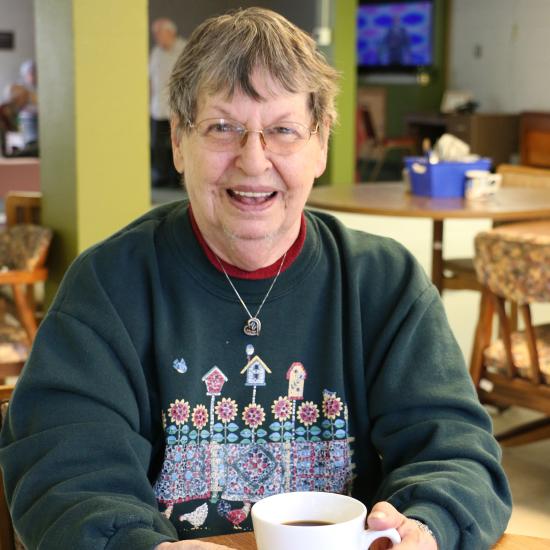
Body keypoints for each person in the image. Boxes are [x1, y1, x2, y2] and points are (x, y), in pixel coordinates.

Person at [0, 8, 511, 550]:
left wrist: (426, 527)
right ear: (178, 141)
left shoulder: (385, 283)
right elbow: (62, 469)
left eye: (283, 131)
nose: (253, 160)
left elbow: (457, 452)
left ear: (321, 146)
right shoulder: (107, 285)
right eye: (224, 127)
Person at [149, 17, 186, 188]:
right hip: (158, 108)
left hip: (178, 109)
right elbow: (148, 79)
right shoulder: (156, 53)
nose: (156, 37)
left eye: (159, 33)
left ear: (170, 32)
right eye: (155, 34)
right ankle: (161, 177)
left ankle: (176, 179)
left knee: (178, 143)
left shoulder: (184, 50)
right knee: (158, 146)